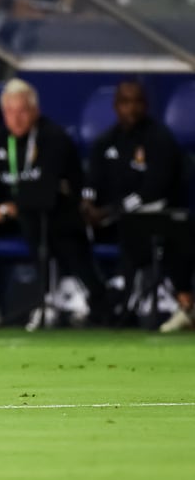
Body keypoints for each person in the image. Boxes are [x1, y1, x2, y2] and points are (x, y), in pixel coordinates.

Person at [0, 79, 110, 326]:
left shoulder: (53, 138)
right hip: (11, 213)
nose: (16, 119)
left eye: (22, 111)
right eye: (10, 112)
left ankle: (51, 297)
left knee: (37, 218)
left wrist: (2, 211)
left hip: (54, 213)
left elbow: (44, 192)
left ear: (35, 111)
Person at [81, 81, 193, 332]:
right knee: (66, 226)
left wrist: (113, 210)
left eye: (137, 102)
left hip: (155, 215)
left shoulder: (159, 139)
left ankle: (125, 298)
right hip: (108, 218)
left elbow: (153, 189)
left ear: (146, 105)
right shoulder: (105, 141)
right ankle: (95, 295)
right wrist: (87, 202)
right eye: (125, 102)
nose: (131, 108)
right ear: (115, 106)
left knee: (135, 224)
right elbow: (91, 181)